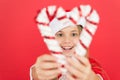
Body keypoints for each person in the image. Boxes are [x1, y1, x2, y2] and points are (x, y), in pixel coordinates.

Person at [30, 5, 109, 80]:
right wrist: (37, 75)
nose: (67, 40)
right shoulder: (49, 65)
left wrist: (90, 77)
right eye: (60, 35)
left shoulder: (91, 66)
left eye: (73, 34)